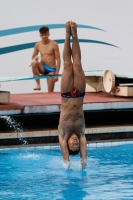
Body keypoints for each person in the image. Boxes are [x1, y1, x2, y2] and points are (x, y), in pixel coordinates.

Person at [58, 21, 87, 170]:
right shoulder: (81, 132)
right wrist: (83, 160)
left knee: (67, 65)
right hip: (80, 94)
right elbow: (83, 142)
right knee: (78, 65)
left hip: (67, 95)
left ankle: (67, 34)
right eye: (77, 145)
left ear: (67, 144)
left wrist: (67, 162)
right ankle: (75, 35)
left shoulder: (63, 133)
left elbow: (65, 156)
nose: (75, 143)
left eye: (72, 145)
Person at [30, 26, 61, 91]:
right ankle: (38, 85)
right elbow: (33, 57)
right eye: (42, 35)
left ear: (48, 34)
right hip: (42, 67)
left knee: (50, 92)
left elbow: (58, 59)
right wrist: (35, 58)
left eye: (45, 34)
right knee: (33, 63)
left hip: (51, 69)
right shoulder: (37, 45)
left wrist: (56, 74)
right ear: (40, 35)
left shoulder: (54, 44)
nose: (44, 36)